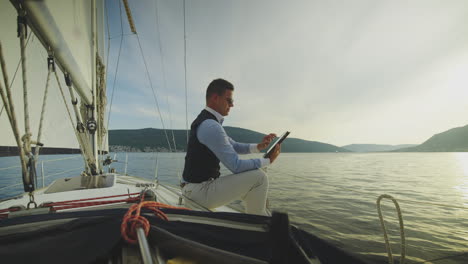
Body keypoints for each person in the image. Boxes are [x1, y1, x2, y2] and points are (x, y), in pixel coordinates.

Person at [181, 78, 281, 215]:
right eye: (229, 100)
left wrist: (258, 147)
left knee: (255, 178)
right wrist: (268, 161)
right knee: (259, 177)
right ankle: (258, 222)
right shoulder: (211, 126)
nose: (232, 105)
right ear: (216, 98)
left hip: (193, 190)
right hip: (200, 193)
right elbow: (236, 166)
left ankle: (257, 215)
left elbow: (234, 146)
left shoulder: (208, 122)